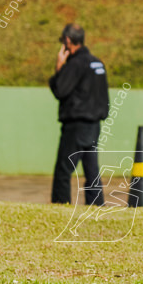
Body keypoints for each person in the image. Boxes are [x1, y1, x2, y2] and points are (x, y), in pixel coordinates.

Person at [49, 24, 109, 205]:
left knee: (63, 170)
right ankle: (96, 205)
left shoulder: (75, 64)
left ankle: (60, 205)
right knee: (91, 170)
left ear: (68, 41)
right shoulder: (97, 63)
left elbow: (60, 89)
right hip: (94, 124)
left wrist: (59, 67)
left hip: (76, 125)